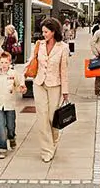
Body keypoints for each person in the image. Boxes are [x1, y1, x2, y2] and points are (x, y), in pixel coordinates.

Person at [32, 17, 69, 163]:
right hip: (39, 83)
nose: (43, 34)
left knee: (52, 118)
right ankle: (46, 150)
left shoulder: (63, 47)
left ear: (53, 32)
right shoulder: (39, 45)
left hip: (55, 84)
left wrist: (65, 91)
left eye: (46, 32)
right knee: (42, 117)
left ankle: (53, 141)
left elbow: (64, 70)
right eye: (43, 32)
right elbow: (31, 61)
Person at [0, 51, 27, 159]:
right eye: (1, 62)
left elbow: (19, 85)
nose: (3, 65)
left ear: (10, 63)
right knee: (1, 127)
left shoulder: (13, 74)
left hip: (10, 105)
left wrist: (22, 89)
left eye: (6, 62)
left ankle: (12, 137)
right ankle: (2, 148)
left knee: (10, 127)